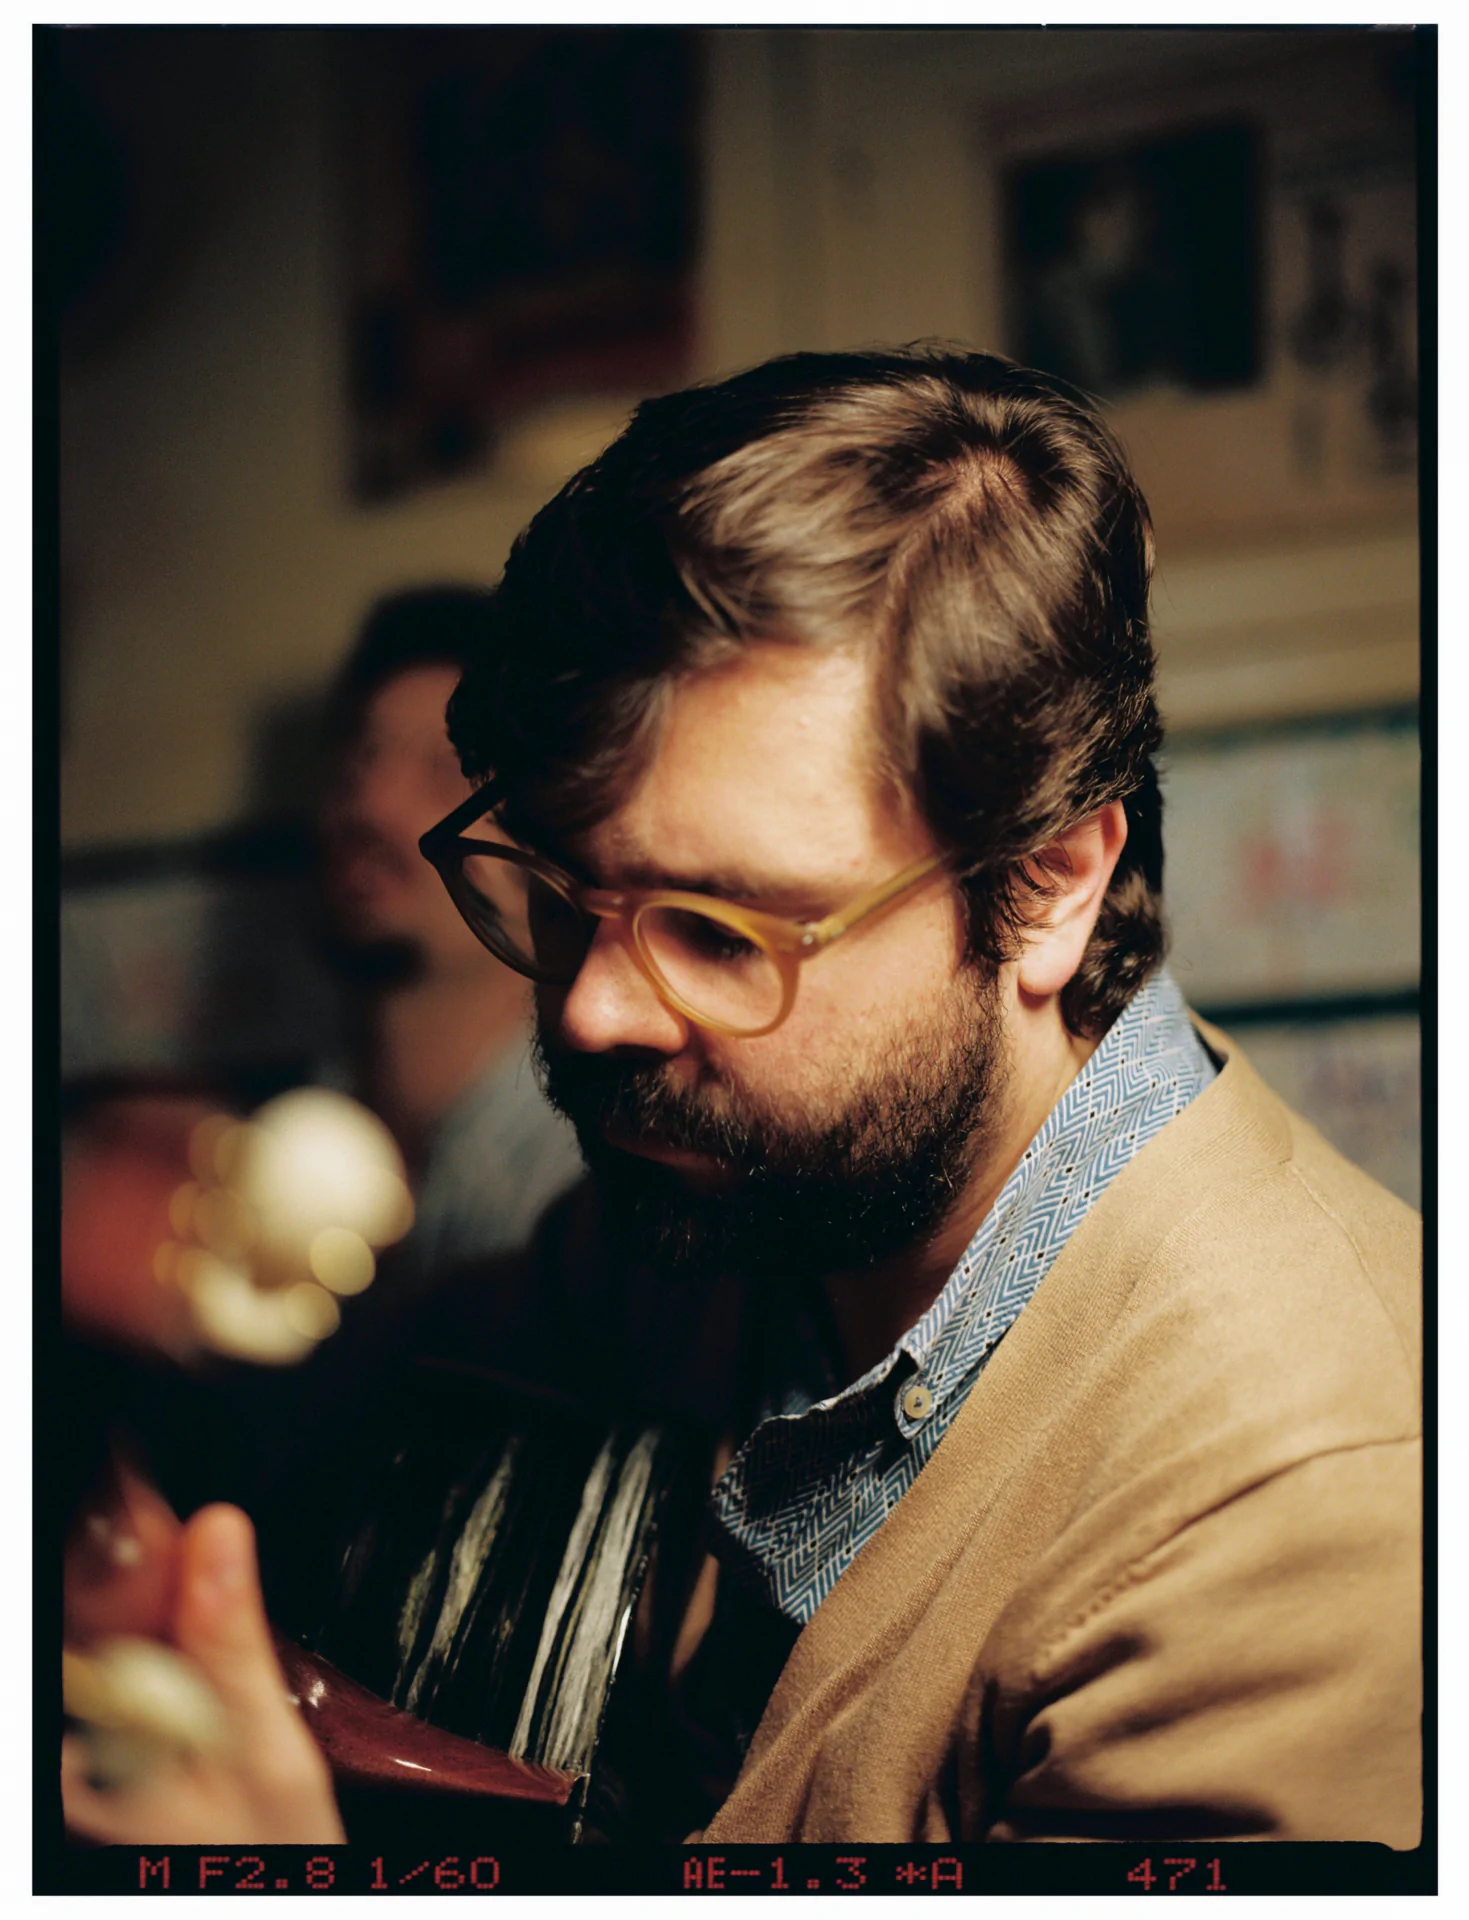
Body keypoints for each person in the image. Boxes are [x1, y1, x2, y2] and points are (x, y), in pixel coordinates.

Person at [61, 346, 1421, 1848]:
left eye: (722, 932)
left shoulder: (1299, 1510)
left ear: (1047, 888)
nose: (588, 1007)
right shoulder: (741, 1195)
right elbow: (373, 1401)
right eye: (563, 892)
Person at [315, 588, 585, 1299]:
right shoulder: (306, 1120)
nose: (368, 805)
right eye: (357, 763)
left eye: (445, 777)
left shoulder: (589, 1181)